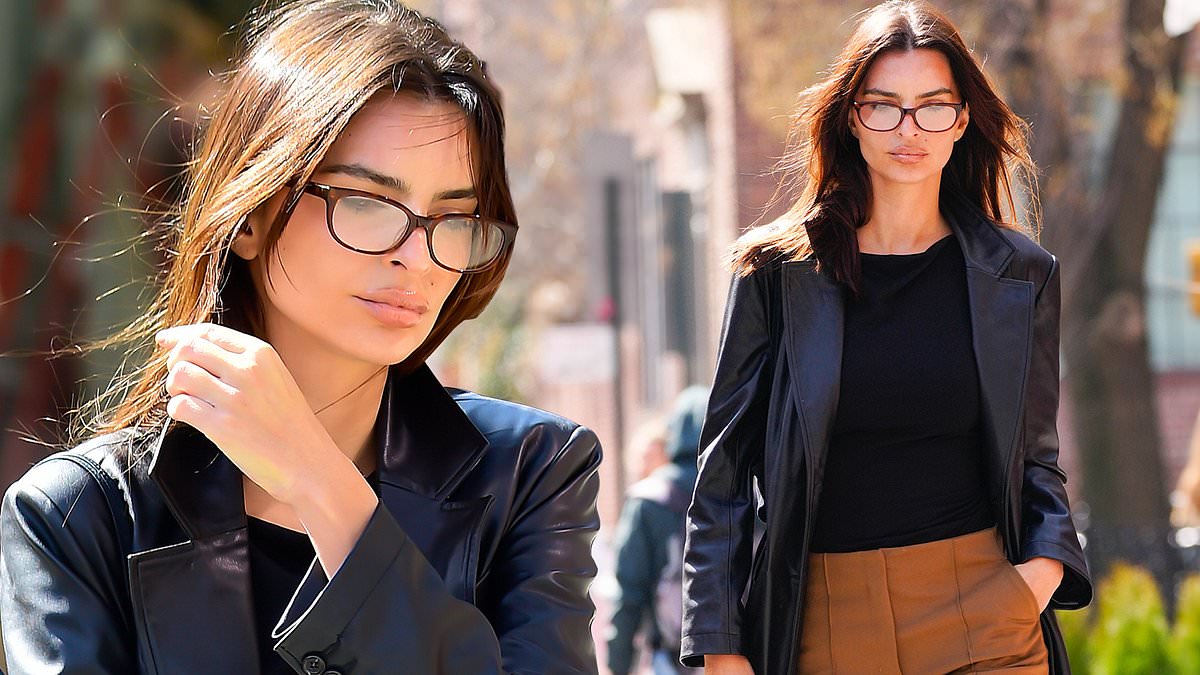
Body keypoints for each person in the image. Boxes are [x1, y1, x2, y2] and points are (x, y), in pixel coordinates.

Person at [0, 1, 602, 673]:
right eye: (368, 202)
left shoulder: (531, 472)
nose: (419, 256)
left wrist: (320, 480)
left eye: (454, 217)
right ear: (252, 215)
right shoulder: (79, 516)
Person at [680, 2, 1092, 674]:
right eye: (884, 105)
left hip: (986, 614)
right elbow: (721, 478)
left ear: (961, 119)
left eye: (932, 105)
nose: (910, 128)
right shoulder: (774, 274)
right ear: (851, 116)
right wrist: (722, 649)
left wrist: (1036, 579)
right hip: (826, 621)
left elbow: (1035, 460)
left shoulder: (1019, 276)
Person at [607, 387, 708, 675]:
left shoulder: (648, 499)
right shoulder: (745, 493)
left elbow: (629, 592)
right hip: (740, 659)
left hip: (672, 657)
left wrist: (618, 664)